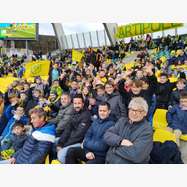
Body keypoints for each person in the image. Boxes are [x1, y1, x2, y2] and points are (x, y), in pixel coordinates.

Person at [104, 97, 153, 164]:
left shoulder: (147, 130)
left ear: (145, 113)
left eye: (138, 111)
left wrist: (114, 148)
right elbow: (107, 135)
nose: (134, 113)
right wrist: (120, 141)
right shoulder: (122, 121)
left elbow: (136, 155)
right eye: (132, 109)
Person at [57, 94, 91, 163]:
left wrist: (64, 145)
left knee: (61, 155)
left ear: (83, 104)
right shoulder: (74, 113)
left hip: (79, 142)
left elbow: (79, 135)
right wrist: (60, 143)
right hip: (71, 139)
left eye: (79, 103)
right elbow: (67, 129)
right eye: (75, 103)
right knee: (54, 142)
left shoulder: (86, 115)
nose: (77, 105)